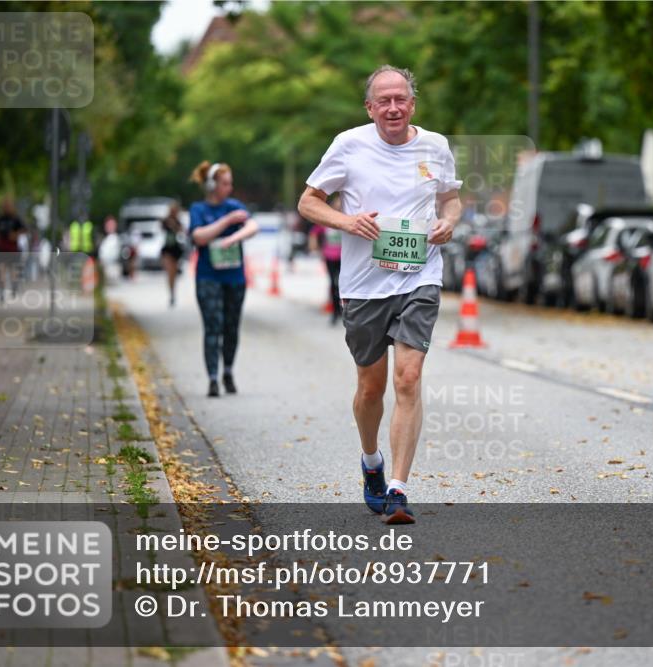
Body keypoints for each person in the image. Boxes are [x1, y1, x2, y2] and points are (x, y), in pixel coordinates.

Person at [298, 65, 462, 524]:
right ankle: (372, 462)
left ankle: (398, 490)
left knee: (408, 378)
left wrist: (449, 221)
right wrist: (348, 222)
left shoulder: (436, 146)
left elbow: (450, 197)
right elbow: (308, 202)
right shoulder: (348, 145)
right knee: (371, 389)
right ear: (370, 108)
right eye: (384, 100)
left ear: (413, 103)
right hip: (364, 285)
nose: (394, 107)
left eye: (401, 99)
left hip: (419, 276)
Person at [189, 161, 258, 397]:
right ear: (212, 185)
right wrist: (226, 223)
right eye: (225, 183)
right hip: (208, 277)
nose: (230, 187)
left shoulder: (234, 205)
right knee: (212, 327)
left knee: (231, 327)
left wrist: (234, 238)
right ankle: (212, 378)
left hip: (234, 278)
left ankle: (227, 371)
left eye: (230, 183)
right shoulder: (199, 210)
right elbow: (199, 236)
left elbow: (253, 226)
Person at [309, 202, 344, 324]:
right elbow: (314, 232)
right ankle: (335, 312)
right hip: (329, 256)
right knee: (333, 284)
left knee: (342, 284)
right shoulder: (328, 220)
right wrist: (313, 245)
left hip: (343, 258)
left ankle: (341, 311)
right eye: (336, 206)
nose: (339, 208)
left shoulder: (346, 219)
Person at [160, 203, 185, 307]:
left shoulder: (177, 222)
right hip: (167, 249)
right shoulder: (165, 221)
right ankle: (171, 293)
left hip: (175, 249)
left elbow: (181, 231)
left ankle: (173, 292)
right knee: (170, 272)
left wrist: (174, 226)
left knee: (173, 273)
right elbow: (161, 228)